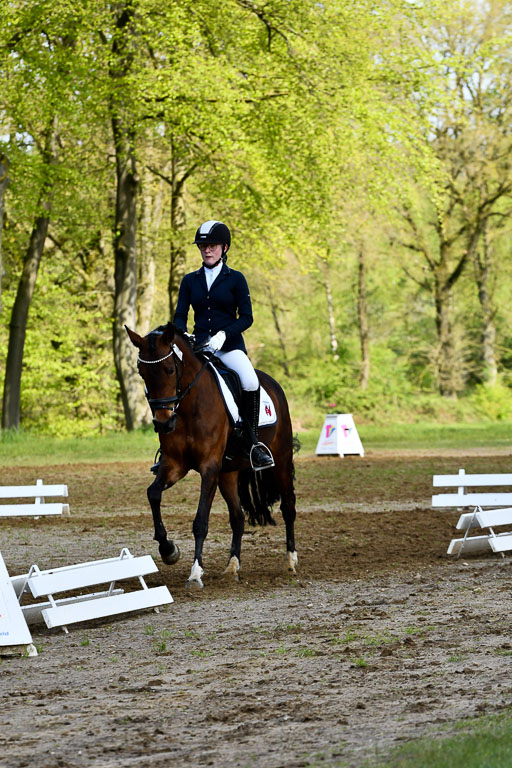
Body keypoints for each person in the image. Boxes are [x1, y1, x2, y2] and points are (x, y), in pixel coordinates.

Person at [173, 219, 274, 471]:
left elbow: (247, 317)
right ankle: (169, 449)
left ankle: (252, 445)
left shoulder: (236, 279)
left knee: (250, 381)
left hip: (228, 348)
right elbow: (179, 315)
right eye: (203, 245)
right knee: (171, 379)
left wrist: (222, 336)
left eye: (213, 245)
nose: (207, 250)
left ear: (224, 248)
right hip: (198, 349)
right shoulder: (189, 280)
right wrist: (184, 334)